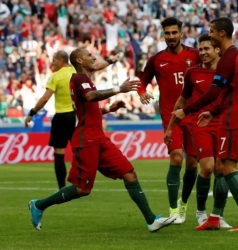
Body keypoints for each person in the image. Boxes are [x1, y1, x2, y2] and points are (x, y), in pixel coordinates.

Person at [28, 47, 175, 232]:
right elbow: (90, 97)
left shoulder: (85, 79)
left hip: (98, 137)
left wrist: (108, 110)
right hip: (86, 139)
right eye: (89, 55)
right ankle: (39, 205)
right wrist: (118, 89)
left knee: (129, 173)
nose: (93, 57)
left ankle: (151, 220)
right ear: (80, 61)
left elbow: (86, 109)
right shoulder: (79, 79)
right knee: (82, 189)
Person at [172, 17, 238, 231]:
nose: (209, 34)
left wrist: (187, 109)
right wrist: (213, 112)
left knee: (227, 168)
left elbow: (213, 92)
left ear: (222, 33)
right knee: (220, 167)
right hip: (235, 115)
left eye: (211, 31)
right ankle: (214, 217)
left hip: (233, 119)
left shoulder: (228, 58)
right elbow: (232, 92)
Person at [164, 33, 231, 229]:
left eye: (206, 49)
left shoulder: (226, 71)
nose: (202, 53)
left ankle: (217, 215)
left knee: (222, 170)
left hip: (223, 124)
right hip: (200, 124)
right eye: (200, 49)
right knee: (208, 167)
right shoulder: (192, 73)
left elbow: (235, 91)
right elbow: (182, 101)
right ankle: (201, 212)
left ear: (217, 49)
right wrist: (170, 128)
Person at [25, 50, 119, 190]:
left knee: (59, 153)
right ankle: (80, 181)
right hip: (77, 117)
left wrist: (32, 113)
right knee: (78, 151)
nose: (52, 63)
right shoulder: (76, 72)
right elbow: (98, 66)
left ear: (62, 60)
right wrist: (111, 61)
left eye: (54, 60)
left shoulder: (55, 77)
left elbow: (45, 98)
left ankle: (62, 187)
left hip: (62, 117)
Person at [138, 17, 201, 224]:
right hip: (171, 116)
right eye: (167, 33)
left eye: (175, 32)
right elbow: (142, 80)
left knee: (193, 164)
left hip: (194, 115)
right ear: (163, 35)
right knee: (176, 157)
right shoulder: (157, 60)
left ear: (181, 33)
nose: (171, 36)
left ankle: (183, 203)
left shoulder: (195, 55)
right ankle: (173, 210)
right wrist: (141, 92)